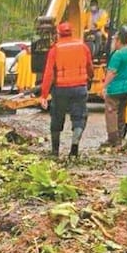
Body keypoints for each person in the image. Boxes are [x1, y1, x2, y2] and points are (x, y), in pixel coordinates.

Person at [40, 21, 93, 157]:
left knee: (57, 118)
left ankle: (55, 151)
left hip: (61, 89)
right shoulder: (83, 46)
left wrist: (44, 95)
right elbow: (89, 66)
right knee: (79, 118)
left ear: (58, 33)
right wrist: (89, 78)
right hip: (80, 87)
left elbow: (48, 73)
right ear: (72, 32)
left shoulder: (55, 49)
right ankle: (74, 146)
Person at [102, 29, 127, 147]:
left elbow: (112, 72)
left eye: (114, 39)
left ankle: (112, 139)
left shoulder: (118, 54)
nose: (113, 42)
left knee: (111, 112)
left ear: (119, 40)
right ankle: (120, 136)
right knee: (122, 112)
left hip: (115, 88)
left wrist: (104, 86)